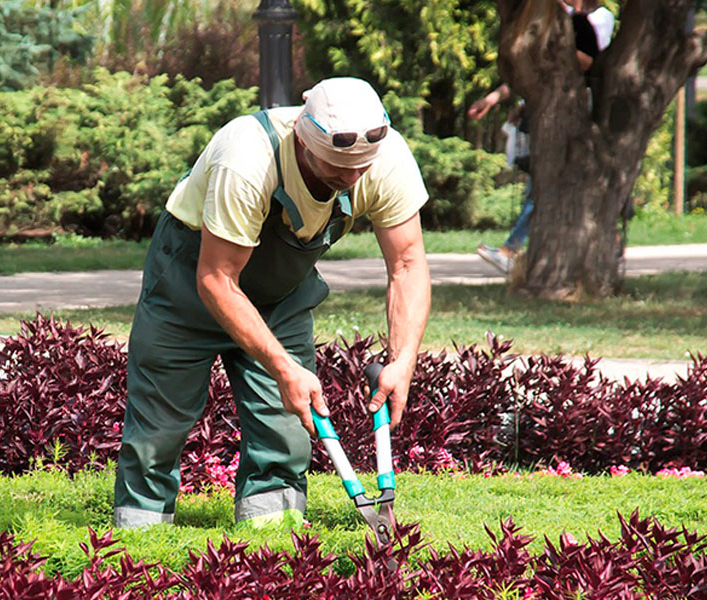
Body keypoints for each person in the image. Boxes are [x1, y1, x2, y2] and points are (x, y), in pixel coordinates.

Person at [112, 78, 431, 529]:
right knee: (159, 428)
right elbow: (217, 279)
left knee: (285, 430)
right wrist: (283, 367)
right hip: (190, 283)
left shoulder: (385, 157)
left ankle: (273, 542)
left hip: (281, 294)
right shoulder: (247, 158)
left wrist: (403, 359)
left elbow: (407, 262)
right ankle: (139, 541)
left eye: (361, 169)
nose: (353, 179)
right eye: (338, 169)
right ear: (303, 137)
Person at [470, 0, 614, 273]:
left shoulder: (586, 22)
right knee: (539, 186)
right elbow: (529, 75)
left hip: (576, 117)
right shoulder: (558, 21)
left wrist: (557, 50)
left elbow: (587, 60)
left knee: (543, 188)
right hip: (547, 118)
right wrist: (497, 99)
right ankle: (514, 249)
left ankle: (512, 249)